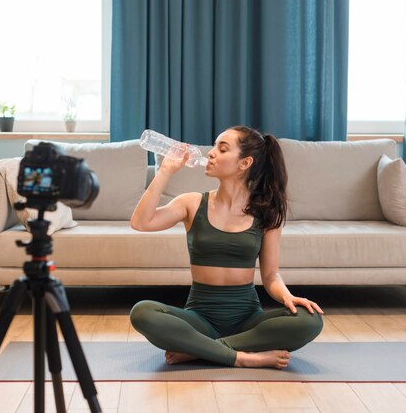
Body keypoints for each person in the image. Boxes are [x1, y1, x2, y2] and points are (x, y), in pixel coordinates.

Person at [130, 126, 323, 369]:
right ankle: (241, 356)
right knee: (142, 312)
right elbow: (141, 222)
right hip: (198, 318)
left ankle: (201, 349)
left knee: (310, 320)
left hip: (247, 319)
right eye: (214, 147)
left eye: (222, 149)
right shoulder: (191, 203)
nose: (211, 153)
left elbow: (271, 275)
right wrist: (165, 171)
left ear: (245, 163)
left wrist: (288, 297)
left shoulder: (267, 213)